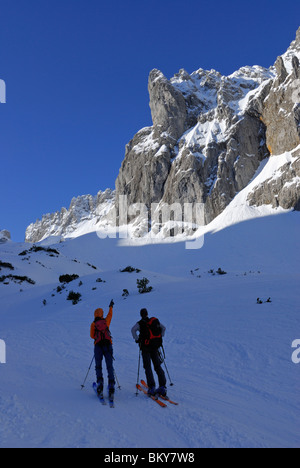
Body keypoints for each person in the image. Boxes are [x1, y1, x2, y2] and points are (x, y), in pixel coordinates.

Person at [131, 308, 167, 397]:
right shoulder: (153, 321)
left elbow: (133, 330)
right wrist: (160, 337)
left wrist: (137, 339)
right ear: (147, 314)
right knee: (157, 366)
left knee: (148, 367)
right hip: (155, 347)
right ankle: (162, 386)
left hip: (145, 348)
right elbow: (164, 328)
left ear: (141, 314)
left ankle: (152, 387)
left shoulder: (140, 323)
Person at [90, 300, 115, 399]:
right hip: (108, 345)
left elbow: (92, 336)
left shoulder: (93, 324)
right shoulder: (106, 321)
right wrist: (111, 307)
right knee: (109, 366)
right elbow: (110, 315)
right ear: (101, 314)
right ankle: (111, 386)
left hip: (98, 346)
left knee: (98, 366)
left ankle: (100, 385)